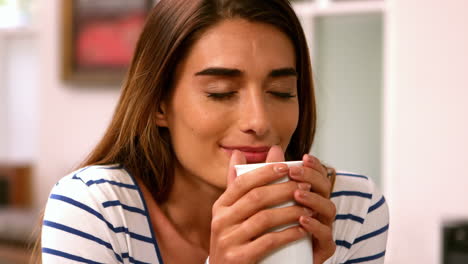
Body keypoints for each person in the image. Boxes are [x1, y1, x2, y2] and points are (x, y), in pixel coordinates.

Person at [39, 0, 389, 263]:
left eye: (282, 92)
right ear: (159, 104)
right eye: (220, 92)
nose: (259, 120)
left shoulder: (351, 208)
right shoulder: (96, 209)